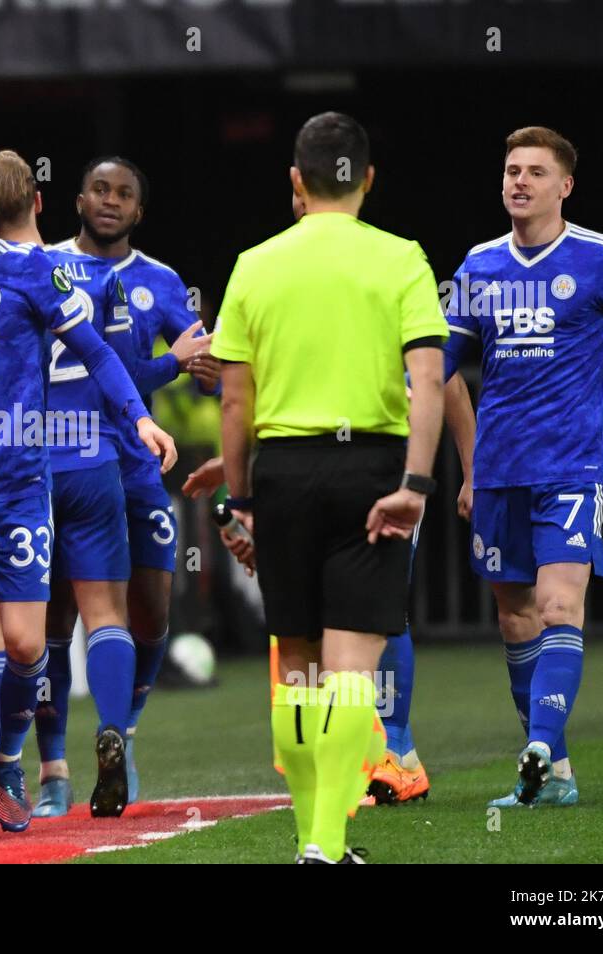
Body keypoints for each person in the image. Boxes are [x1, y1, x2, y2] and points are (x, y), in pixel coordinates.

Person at [0, 138, 176, 837]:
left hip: (20, 485)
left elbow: (96, 351)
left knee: (25, 644)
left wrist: (138, 418)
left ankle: (9, 759)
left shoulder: (28, 271)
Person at [212, 112, 448, 863]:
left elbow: (234, 401)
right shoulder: (402, 257)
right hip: (370, 471)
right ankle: (325, 844)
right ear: (367, 178)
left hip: (282, 472)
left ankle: (309, 838)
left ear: (295, 181)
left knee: (300, 665)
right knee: (352, 671)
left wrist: (238, 502)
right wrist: (415, 482)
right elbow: (431, 379)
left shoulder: (254, 263)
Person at [441, 127, 603, 808]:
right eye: (511, 170)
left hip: (571, 470)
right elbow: (436, 364)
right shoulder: (477, 265)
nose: (518, 181)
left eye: (534, 171)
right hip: (497, 472)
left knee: (559, 606)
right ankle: (554, 772)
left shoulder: (602, 259)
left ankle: (538, 746)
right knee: (515, 619)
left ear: (565, 186)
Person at [28, 157, 217, 815]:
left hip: (137, 467)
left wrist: (213, 369)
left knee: (152, 611)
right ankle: (54, 769)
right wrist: (175, 362)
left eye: (125, 194)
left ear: (139, 211)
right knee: (57, 617)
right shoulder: (46, 266)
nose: (110, 201)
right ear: (78, 199)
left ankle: (122, 731)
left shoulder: (161, 281)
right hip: (65, 460)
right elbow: (115, 369)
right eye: (100, 189)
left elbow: (205, 362)